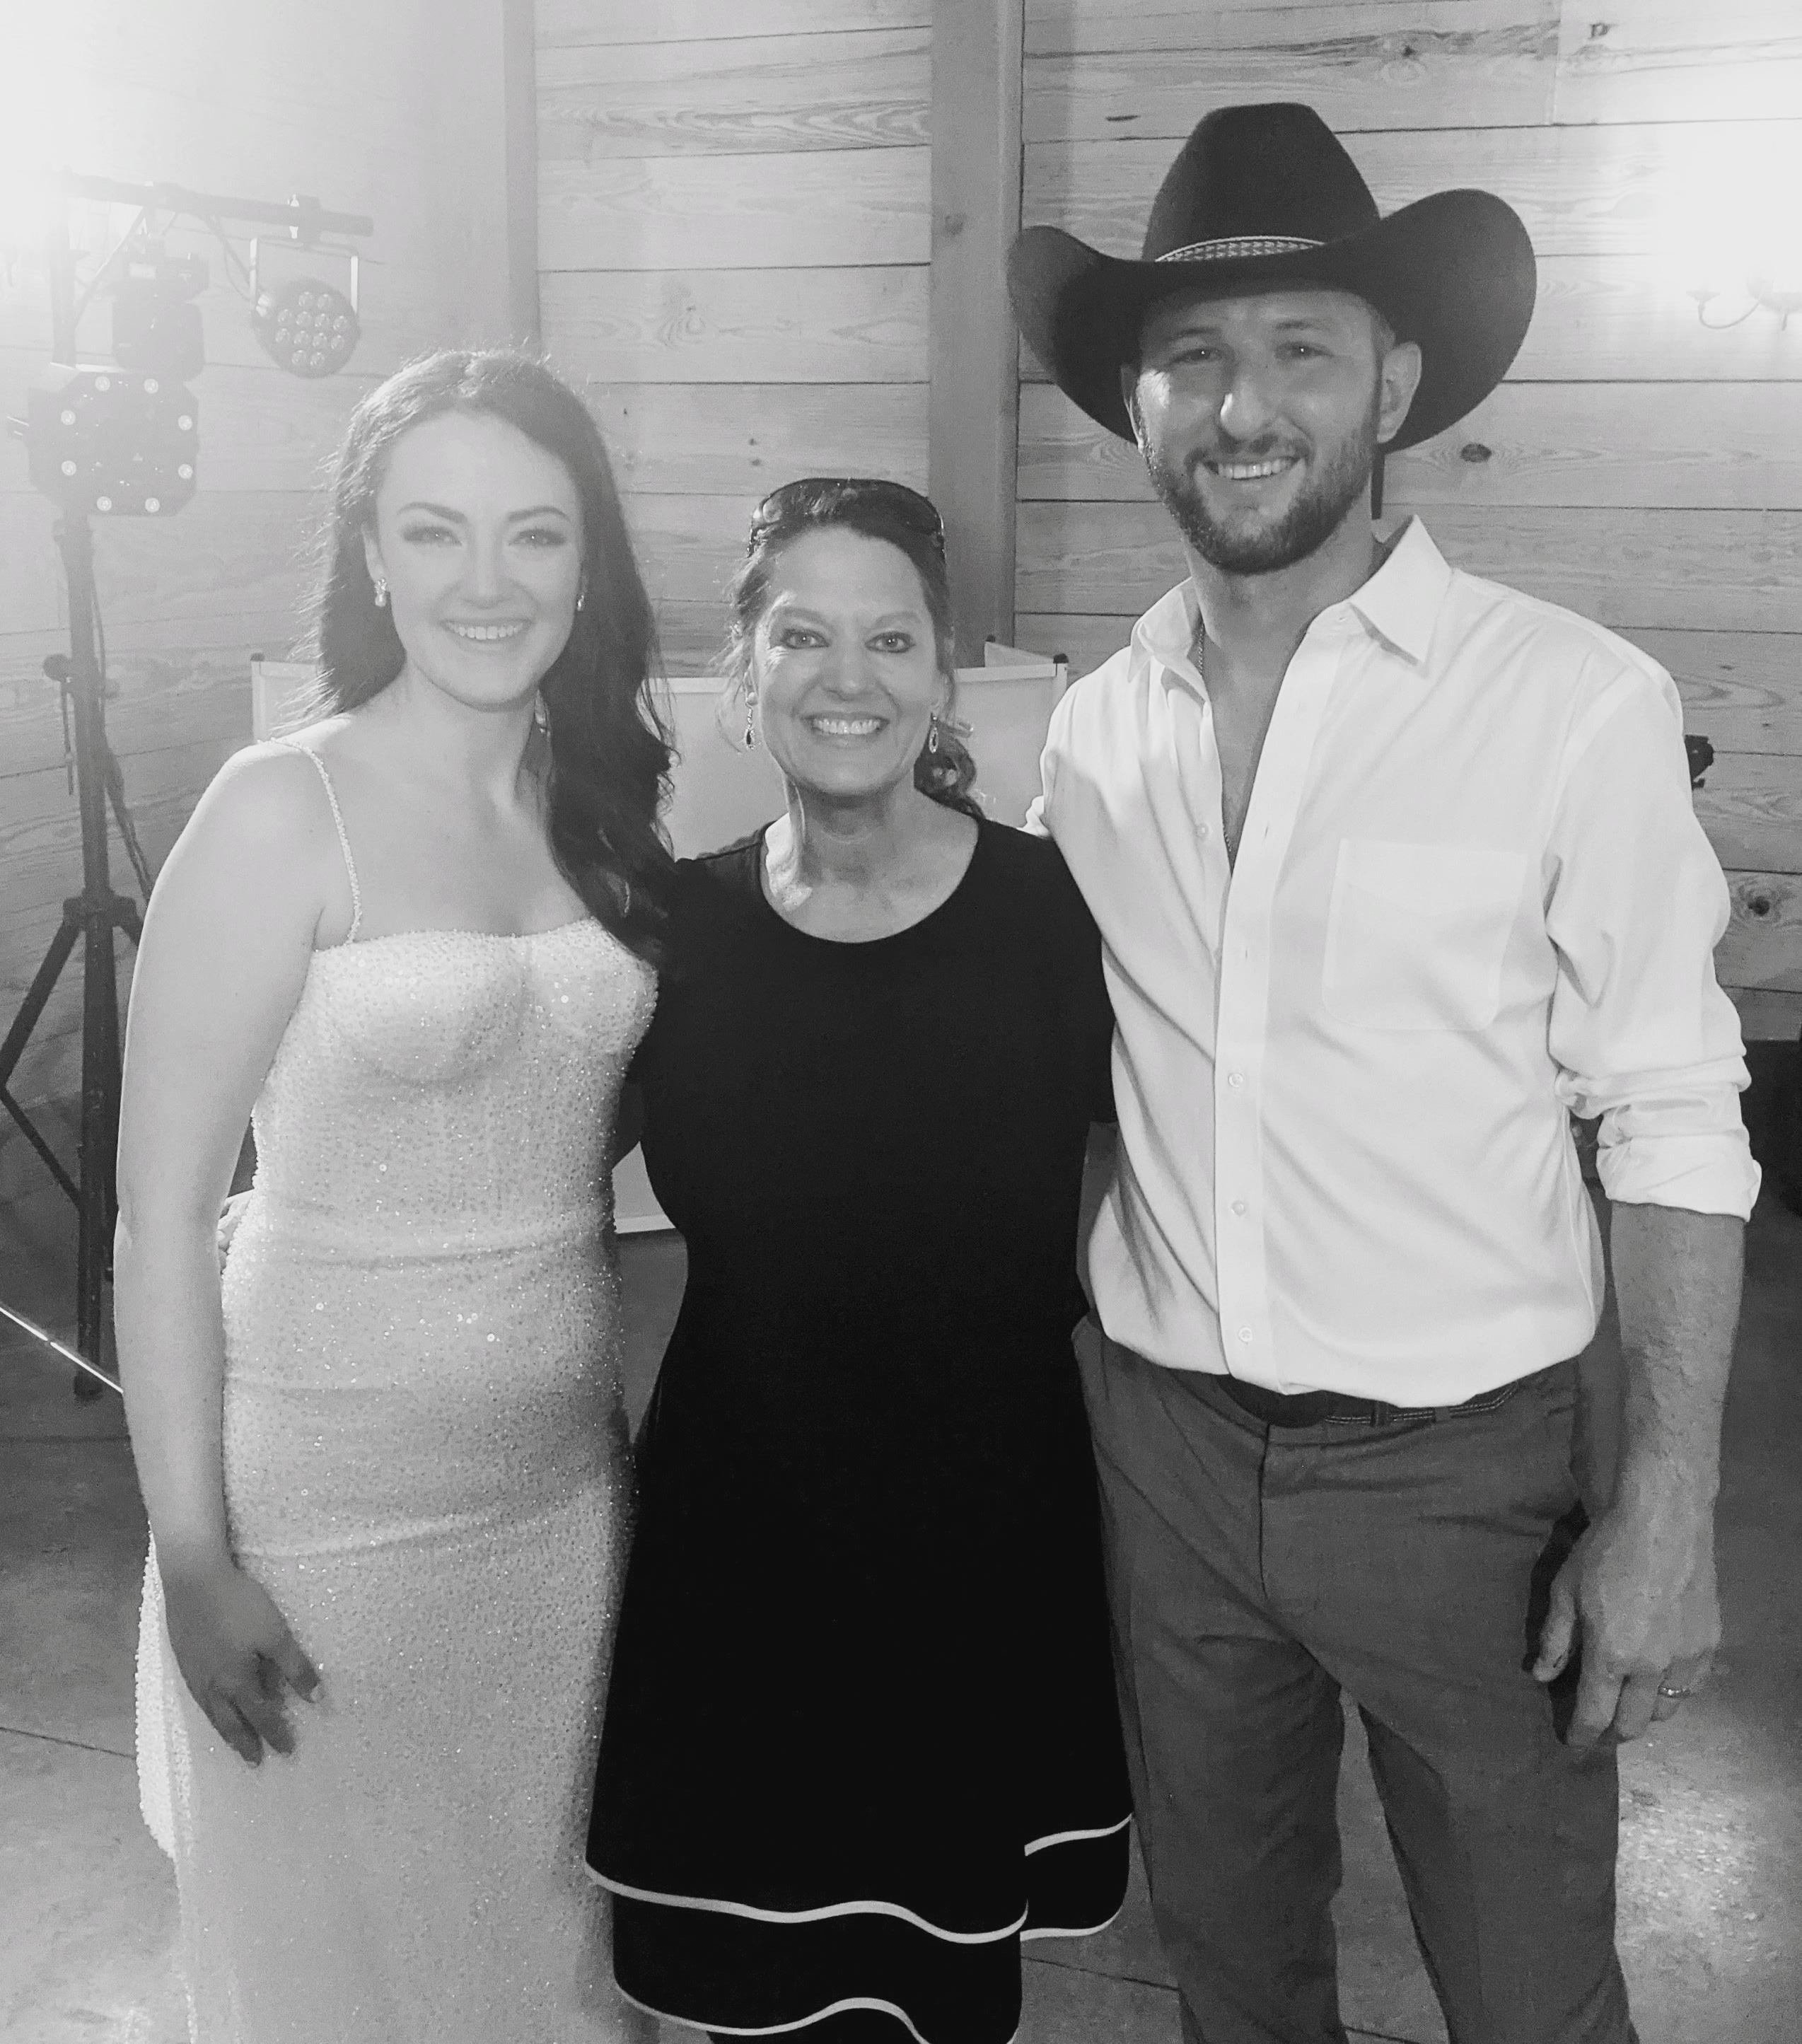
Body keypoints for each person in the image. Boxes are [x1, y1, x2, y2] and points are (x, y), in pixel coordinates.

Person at [1008, 103, 1760, 2044]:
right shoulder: (1092, 736)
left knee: (1528, 1998)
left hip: (1467, 1480)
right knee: (1232, 1971)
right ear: (1132, 404)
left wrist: (1666, 1499)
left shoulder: (1567, 705)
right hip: (1166, 1454)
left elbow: (1671, 1115)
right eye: (1189, 356)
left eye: (1298, 350)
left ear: (1394, 384)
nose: (1239, 405)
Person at [115, 348, 670, 2043]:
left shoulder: (601, 804)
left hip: (562, 1506)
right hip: (323, 1515)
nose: (485, 581)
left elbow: (603, 1150)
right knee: (344, 1979)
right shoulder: (278, 809)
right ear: (370, 554)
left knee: (549, 1966)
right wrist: (193, 1552)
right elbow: (160, 1216)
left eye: (531, 533)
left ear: (586, 562)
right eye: (435, 531)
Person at [583, 477, 1132, 2044]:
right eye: (802, 635)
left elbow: (1158, 1172)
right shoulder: (675, 933)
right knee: (751, 1991)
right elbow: (533, 1170)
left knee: (940, 1991)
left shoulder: (1057, 917)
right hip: (745, 1535)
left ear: (945, 674)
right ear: (745, 672)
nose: (848, 676)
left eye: (890, 638)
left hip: (982, 1534)